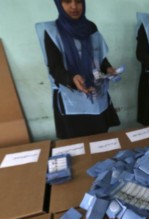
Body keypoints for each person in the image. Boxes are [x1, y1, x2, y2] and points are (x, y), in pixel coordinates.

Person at [35, 0, 120, 139]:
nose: (74, 6)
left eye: (79, 1)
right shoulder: (52, 32)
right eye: (67, 1)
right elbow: (55, 68)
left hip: (95, 92)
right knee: (78, 141)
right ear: (59, 4)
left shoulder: (90, 27)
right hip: (71, 97)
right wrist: (72, 78)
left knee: (100, 138)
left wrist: (108, 68)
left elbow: (98, 55)